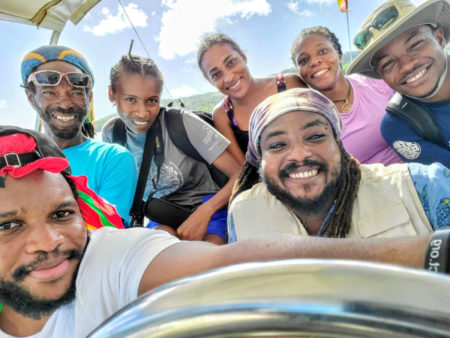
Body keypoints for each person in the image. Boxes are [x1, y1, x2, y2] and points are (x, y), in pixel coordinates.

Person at [0, 125, 436, 337]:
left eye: (61, 215)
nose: (49, 242)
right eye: (9, 225)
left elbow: (235, 263)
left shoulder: (109, 257)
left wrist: (434, 257)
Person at [228, 88, 450, 242]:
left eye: (315, 136)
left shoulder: (421, 187)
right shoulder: (242, 212)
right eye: (277, 145)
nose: (299, 155)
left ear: (338, 143)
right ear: (260, 160)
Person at [102, 54, 241, 244]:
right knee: (162, 250)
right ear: (112, 94)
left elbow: (239, 174)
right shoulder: (113, 134)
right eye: (131, 99)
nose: (142, 113)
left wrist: (205, 212)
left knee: (208, 257)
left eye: (151, 101)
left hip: (209, 207)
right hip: (161, 214)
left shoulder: (180, 122)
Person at [21, 45, 137, 222]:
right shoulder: (14, 162)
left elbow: (108, 234)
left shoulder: (111, 159)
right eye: (50, 92)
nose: (65, 104)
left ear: (89, 99)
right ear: (31, 98)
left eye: (75, 93)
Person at [347, 0, 450, 167]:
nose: (407, 65)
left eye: (415, 44)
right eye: (388, 63)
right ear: (381, 75)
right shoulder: (398, 125)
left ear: (439, 38)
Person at [290, 26, 402, 165]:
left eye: (323, 51)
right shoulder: (310, 121)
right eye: (304, 60)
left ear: (339, 55)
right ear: (299, 71)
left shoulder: (374, 80)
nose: (314, 61)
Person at [197, 33, 305, 164]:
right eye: (216, 75)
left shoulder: (290, 84)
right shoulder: (222, 115)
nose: (228, 77)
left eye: (231, 63)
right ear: (210, 81)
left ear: (243, 57)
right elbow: (243, 168)